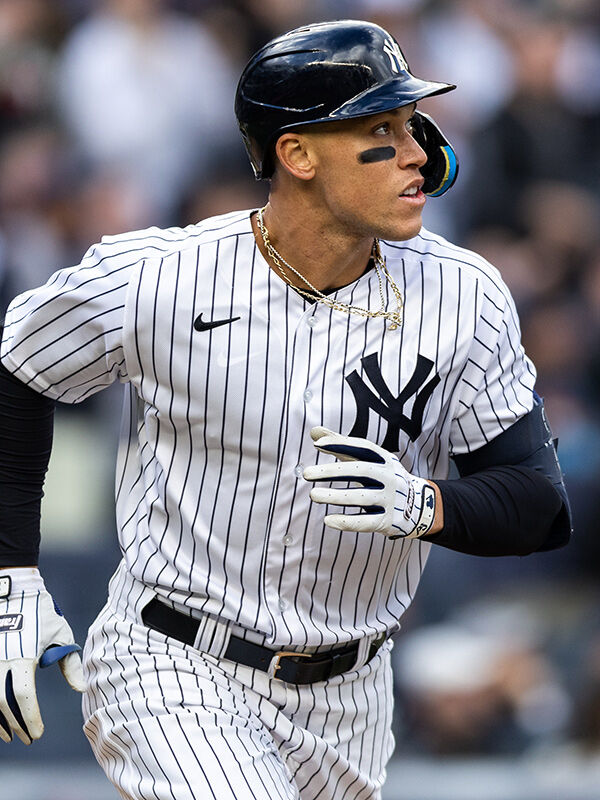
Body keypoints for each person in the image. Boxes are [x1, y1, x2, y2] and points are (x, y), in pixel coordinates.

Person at [0, 19, 571, 800]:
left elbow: (537, 503)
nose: (417, 153)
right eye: (381, 130)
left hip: (351, 696)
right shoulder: (160, 278)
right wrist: (11, 575)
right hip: (175, 659)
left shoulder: (463, 295)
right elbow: (18, 368)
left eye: (413, 125)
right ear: (297, 154)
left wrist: (424, 504)